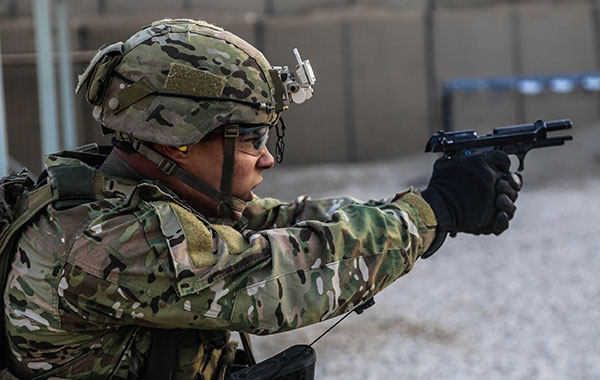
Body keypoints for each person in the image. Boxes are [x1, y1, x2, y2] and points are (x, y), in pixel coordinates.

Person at [2, 19, 521, 380]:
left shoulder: (113, 188)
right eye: (251, 140)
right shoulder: (116, 242)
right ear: (179, 139)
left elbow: (276, 221)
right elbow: (291, 274)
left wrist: (414, 209)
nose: (267, 159)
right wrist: (433, 214)